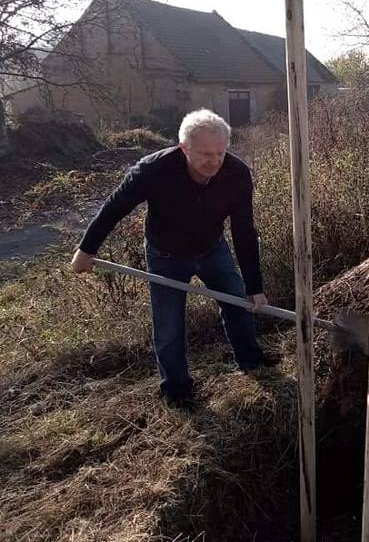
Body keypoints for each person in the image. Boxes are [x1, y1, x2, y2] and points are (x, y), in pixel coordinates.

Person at [71, 108, 270, 406]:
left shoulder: (236, 174)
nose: (214, 161)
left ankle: (251, 361)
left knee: (238, 302)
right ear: (184, 148)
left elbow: (243, 230)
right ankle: (177, 391)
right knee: (168, 325)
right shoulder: (153, 170)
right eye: (205, 153)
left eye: (220, 152)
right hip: (166, 255)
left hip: (212, 249)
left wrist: (255, 286)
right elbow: (114, 208)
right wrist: (86, 250)